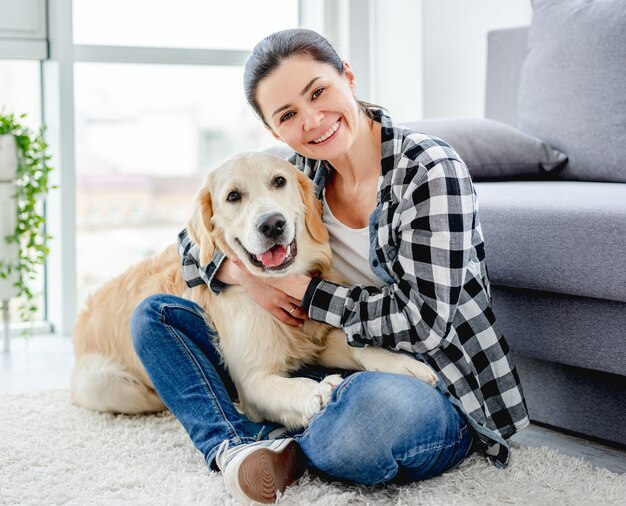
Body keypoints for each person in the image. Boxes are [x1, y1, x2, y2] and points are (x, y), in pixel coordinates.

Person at [130, 28, 529, 505]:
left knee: (366, 420)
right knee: (154, 317)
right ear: (275, 132)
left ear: (348, 78)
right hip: (334, 360)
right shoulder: (298, 172)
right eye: (288, 115)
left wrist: (304, 292)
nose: (313, 119)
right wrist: (245, 277)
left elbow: (426, 324)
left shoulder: (428, 169)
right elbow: (192, 240)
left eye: (318, 92)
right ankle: (240, 445)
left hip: (431, 378)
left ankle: (269, 430)